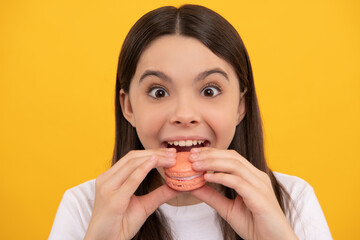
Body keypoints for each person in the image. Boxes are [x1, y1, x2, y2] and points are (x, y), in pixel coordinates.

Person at [49, 4, 332, 240]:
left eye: (210, 90)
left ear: (240, 106)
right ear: (128, 106)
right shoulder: (84, 207)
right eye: (158, 92)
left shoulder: (292, 201)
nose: (184, 114)